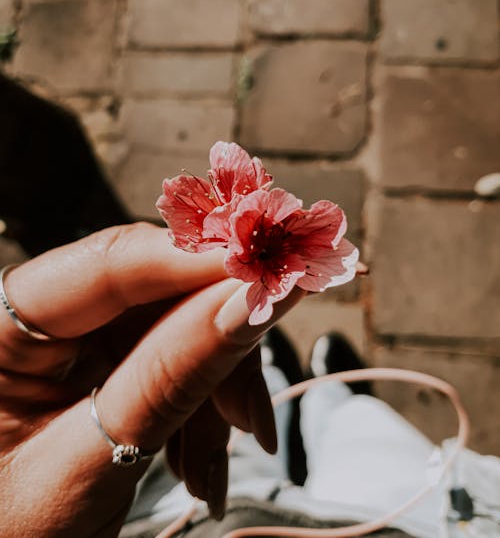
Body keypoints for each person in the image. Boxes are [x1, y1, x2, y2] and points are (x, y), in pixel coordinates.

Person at [1, 224, 499, 538]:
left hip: (179, 522)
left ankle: (287, 383)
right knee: (363, 430)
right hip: (399, 520)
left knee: (236, 442)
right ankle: (334, 393)